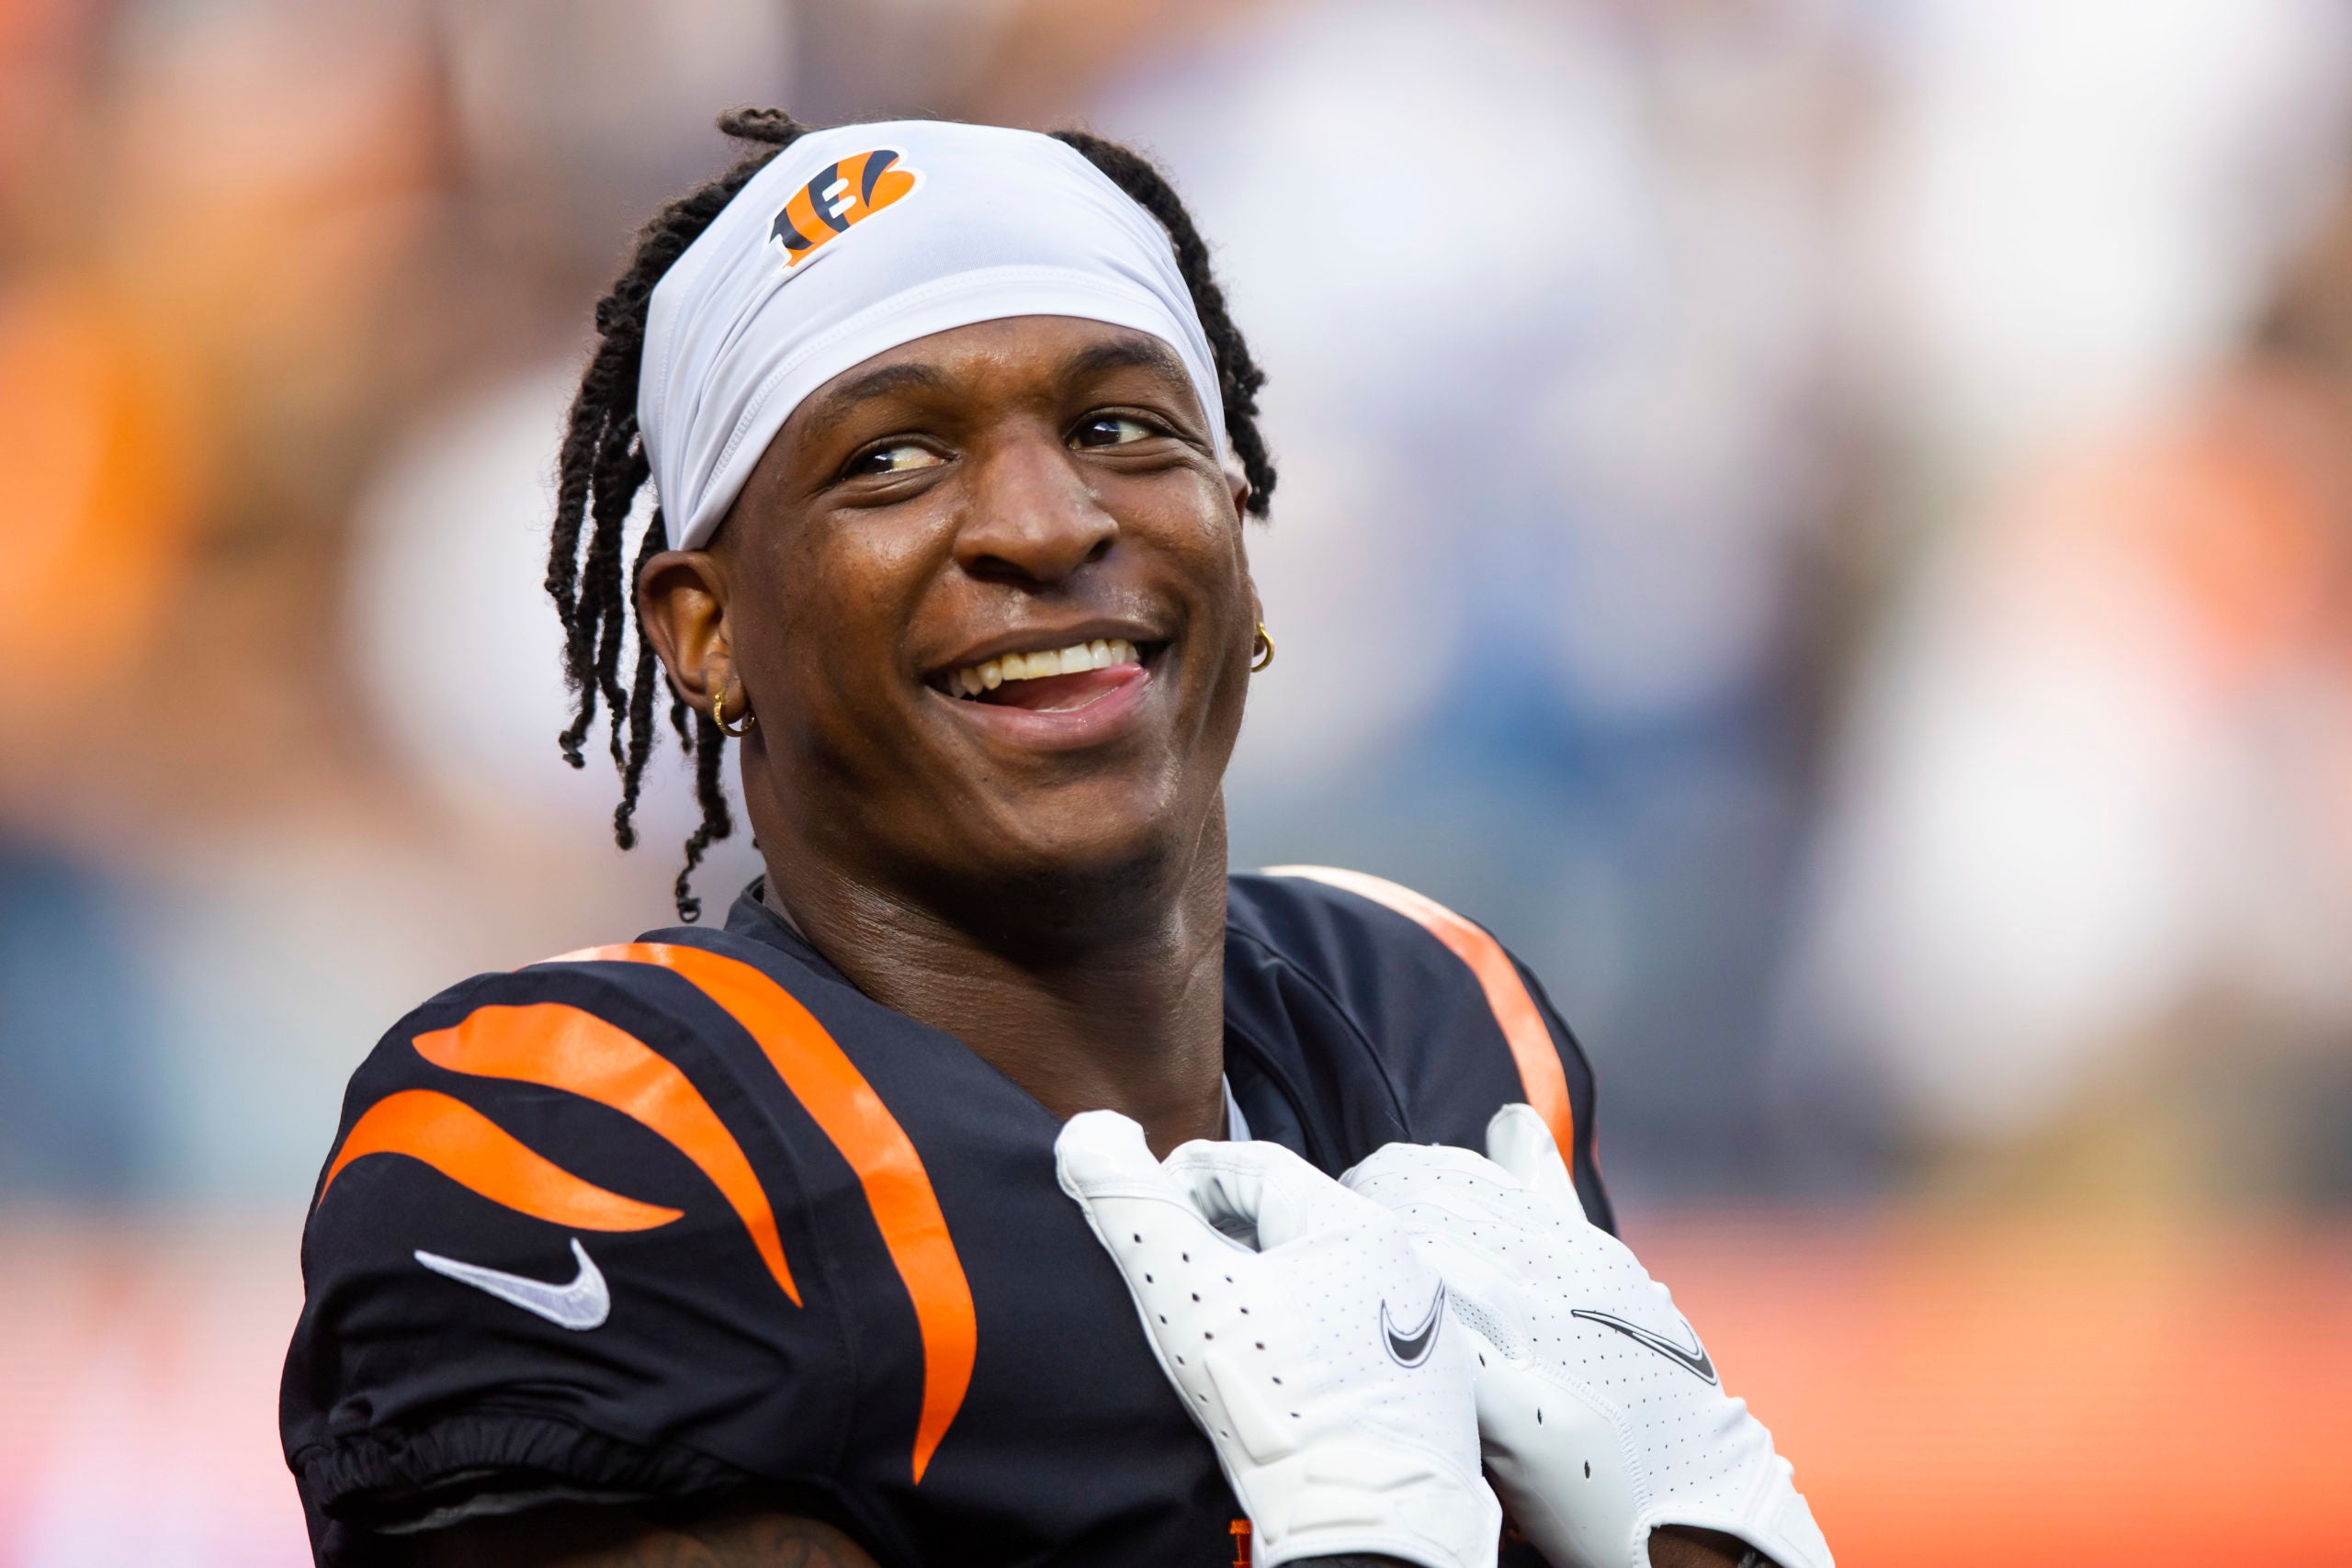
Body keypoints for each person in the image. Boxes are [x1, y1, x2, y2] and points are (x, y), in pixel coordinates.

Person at [280, 110, 1816, 1568]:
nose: (1047, 519)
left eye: (1120, 426)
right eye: (891, 455)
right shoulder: (580, 1136)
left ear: (1238, 531)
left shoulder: (1431, 1013)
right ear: (707, 631)